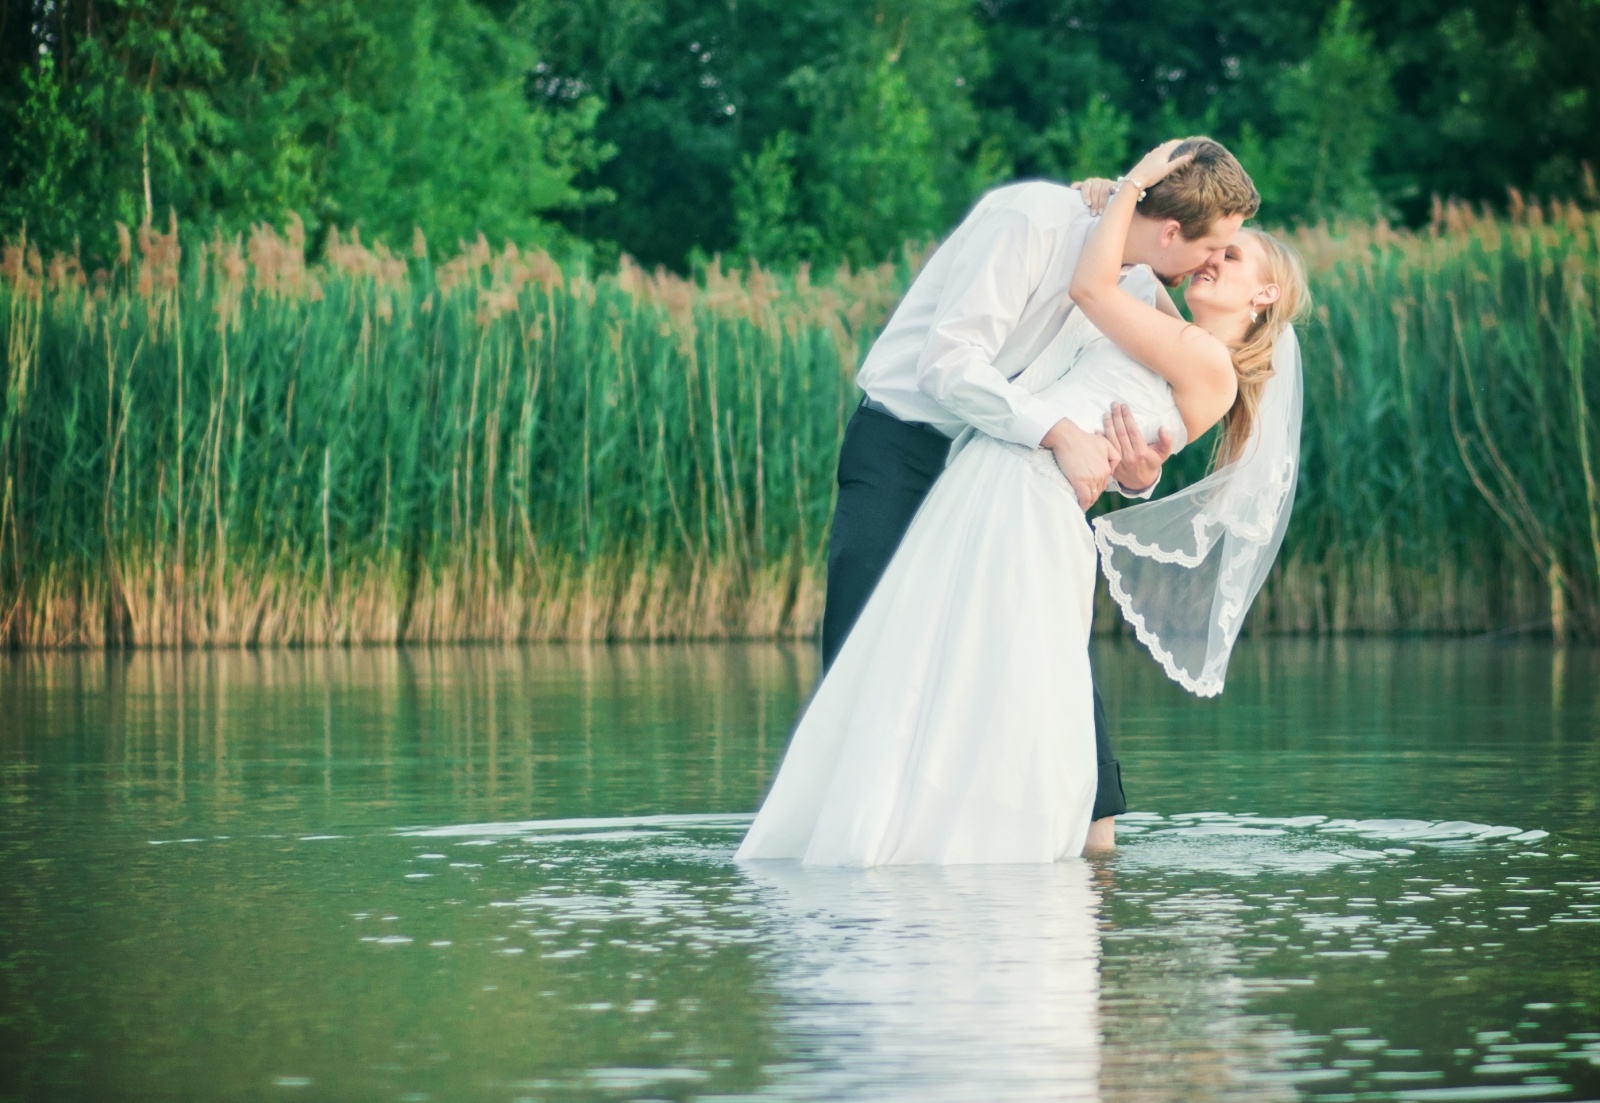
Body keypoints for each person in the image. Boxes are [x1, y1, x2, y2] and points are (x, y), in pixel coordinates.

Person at [736, 140, 1308, 865]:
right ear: (1172, 231)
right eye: (1218, 245)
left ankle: (1044, 843)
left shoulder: (1143, 295)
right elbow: (953, 366)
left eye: (1230, 254)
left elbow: (1138, 432)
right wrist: (1124, 191)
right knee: (870, 648)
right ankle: (866, 831)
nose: (1212, 261)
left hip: (1019, 478)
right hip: (913, 444)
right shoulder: (1040, 227)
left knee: (1019, 662)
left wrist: (1135, 473)